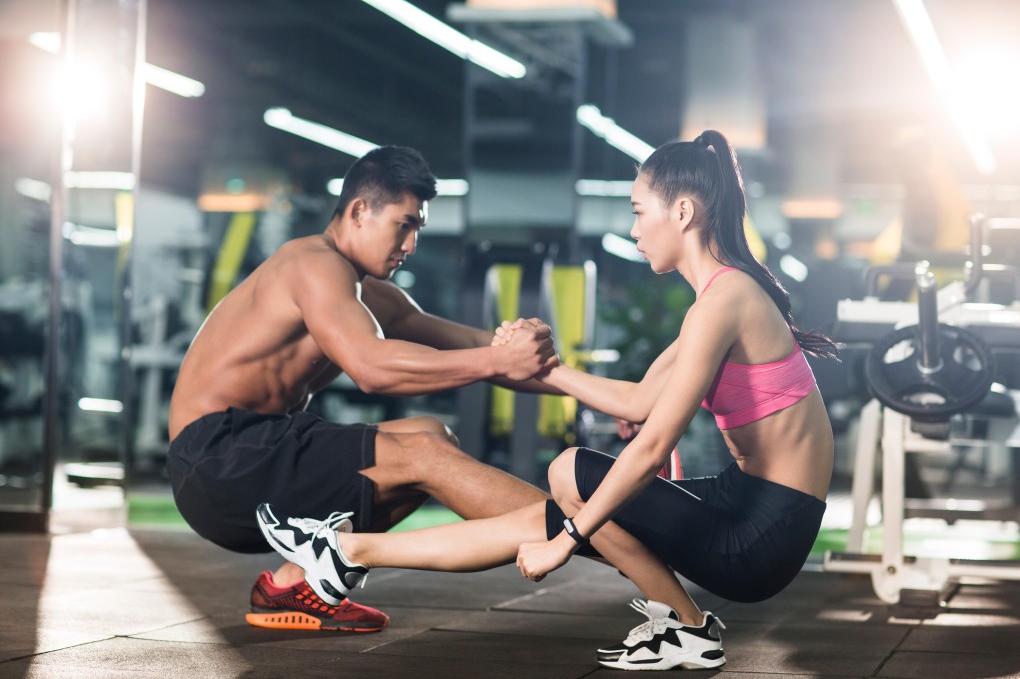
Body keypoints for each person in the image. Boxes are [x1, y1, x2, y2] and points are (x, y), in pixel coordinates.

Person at [255, 130, 839, 669]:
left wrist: (567, 543)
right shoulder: (718, 300)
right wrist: (549, 370)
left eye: (639, 212)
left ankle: (689, 627)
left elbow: (652, 442)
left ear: (682, 212)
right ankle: (345, 551)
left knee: (569, 475)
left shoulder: (724, 302)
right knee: (547, 512)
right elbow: (637, 401)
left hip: (762, 535)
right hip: (747, 505)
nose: (634, 230)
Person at [167, 145, 563, 633]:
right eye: (404, 224)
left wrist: (622, 400)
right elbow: (372, 369)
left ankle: (298, 584)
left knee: (431, 434)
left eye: (418, 228)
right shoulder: (312, 264)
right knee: (424, 456)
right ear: (358, 211)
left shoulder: (369, 293)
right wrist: (499, 359)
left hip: (252, 457)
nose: (411, 244)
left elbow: (477, 348)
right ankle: (601, 537)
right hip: (217, 461)